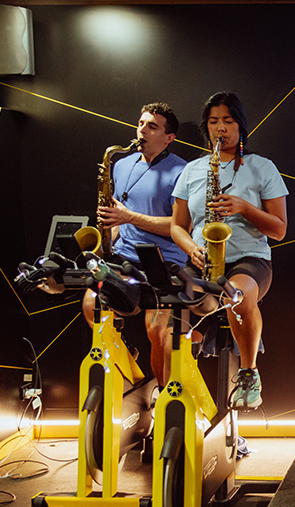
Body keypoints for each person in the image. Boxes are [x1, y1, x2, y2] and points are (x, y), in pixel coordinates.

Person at [171, 92, 288, 410]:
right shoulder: (193, 171)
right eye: (213, 122)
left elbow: (279, 230)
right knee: (169, 299)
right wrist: (191, 247)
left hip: (250, 259)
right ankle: (179, 373)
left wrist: (244, 208)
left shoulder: (261, 167)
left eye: (228, 120)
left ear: (241, 125)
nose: (220, 128)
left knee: (236, 294)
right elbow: (176, 226)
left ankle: (249, 372)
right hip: (203, 259)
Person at [81, 102, 188, 388]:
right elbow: (119, 217)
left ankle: (163, 400)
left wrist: (130, 217)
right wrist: (109, 236)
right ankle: (128, 355)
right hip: (125, 255)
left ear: (169, 138)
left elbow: (181, 226)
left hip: (164, 260)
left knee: (156, 329)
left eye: (152, 126)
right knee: (91, 305)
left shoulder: (182, 171)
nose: (142, 130)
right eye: (141, 123)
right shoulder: (120, 164)